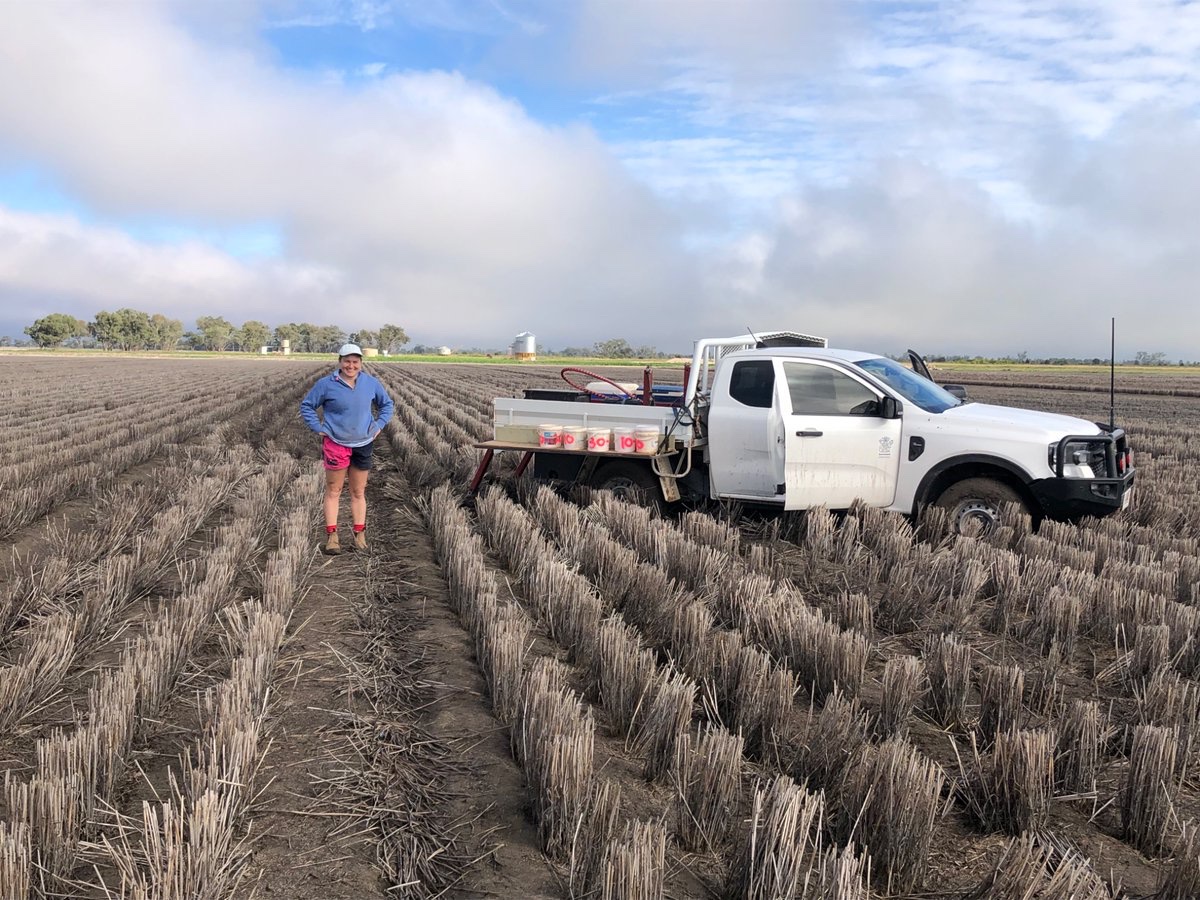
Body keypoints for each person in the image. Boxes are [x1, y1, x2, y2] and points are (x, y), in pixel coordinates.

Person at [300, 343, 395, 554]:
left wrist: (378, 425)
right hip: (336, 444)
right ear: (340, 362)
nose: (351, 366)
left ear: (361, 363)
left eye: (355, 362)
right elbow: (307, 406)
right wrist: (317, 427)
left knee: (358, 491)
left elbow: (387, 405)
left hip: (363, 443)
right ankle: (332, 536)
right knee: (334, 490)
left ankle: (360, 535)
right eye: (347, 361)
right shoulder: (326, 384)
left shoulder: (370, 383)